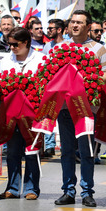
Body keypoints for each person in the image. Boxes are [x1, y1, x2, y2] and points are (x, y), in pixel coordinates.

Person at [54, 10, 106, 208]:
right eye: (73, 22)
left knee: (87, 152)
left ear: (89, 27)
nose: (75, 25)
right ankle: (68, 191)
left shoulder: (99, 49)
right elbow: (51, 72)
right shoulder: (59, 47)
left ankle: (87, 192)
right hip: (63, 108)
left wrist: (87, 82)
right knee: (67, 152)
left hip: (86, 109)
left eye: (80, 22)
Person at [0, 27, 44, 200]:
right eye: (9, 44)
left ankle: (32, 188)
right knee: (12, 152)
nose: (12, 48)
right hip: (12, 115)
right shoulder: (6, 60)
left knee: (32, 151)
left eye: (15, 44)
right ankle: (13, 187)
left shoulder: (40, 59)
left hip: (32, 114)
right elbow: (0, 83)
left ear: (26, 42)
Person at [41, 19, 66, 158]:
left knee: (64, 117)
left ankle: (65, 145)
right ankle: (49, 146)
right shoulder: (47, 46)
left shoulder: (67, 45)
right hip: (50, 85)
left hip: (63, 86)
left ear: (59, 30)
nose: (48, 31)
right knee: (49, 115)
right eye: (48, 28)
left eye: (51, 28)